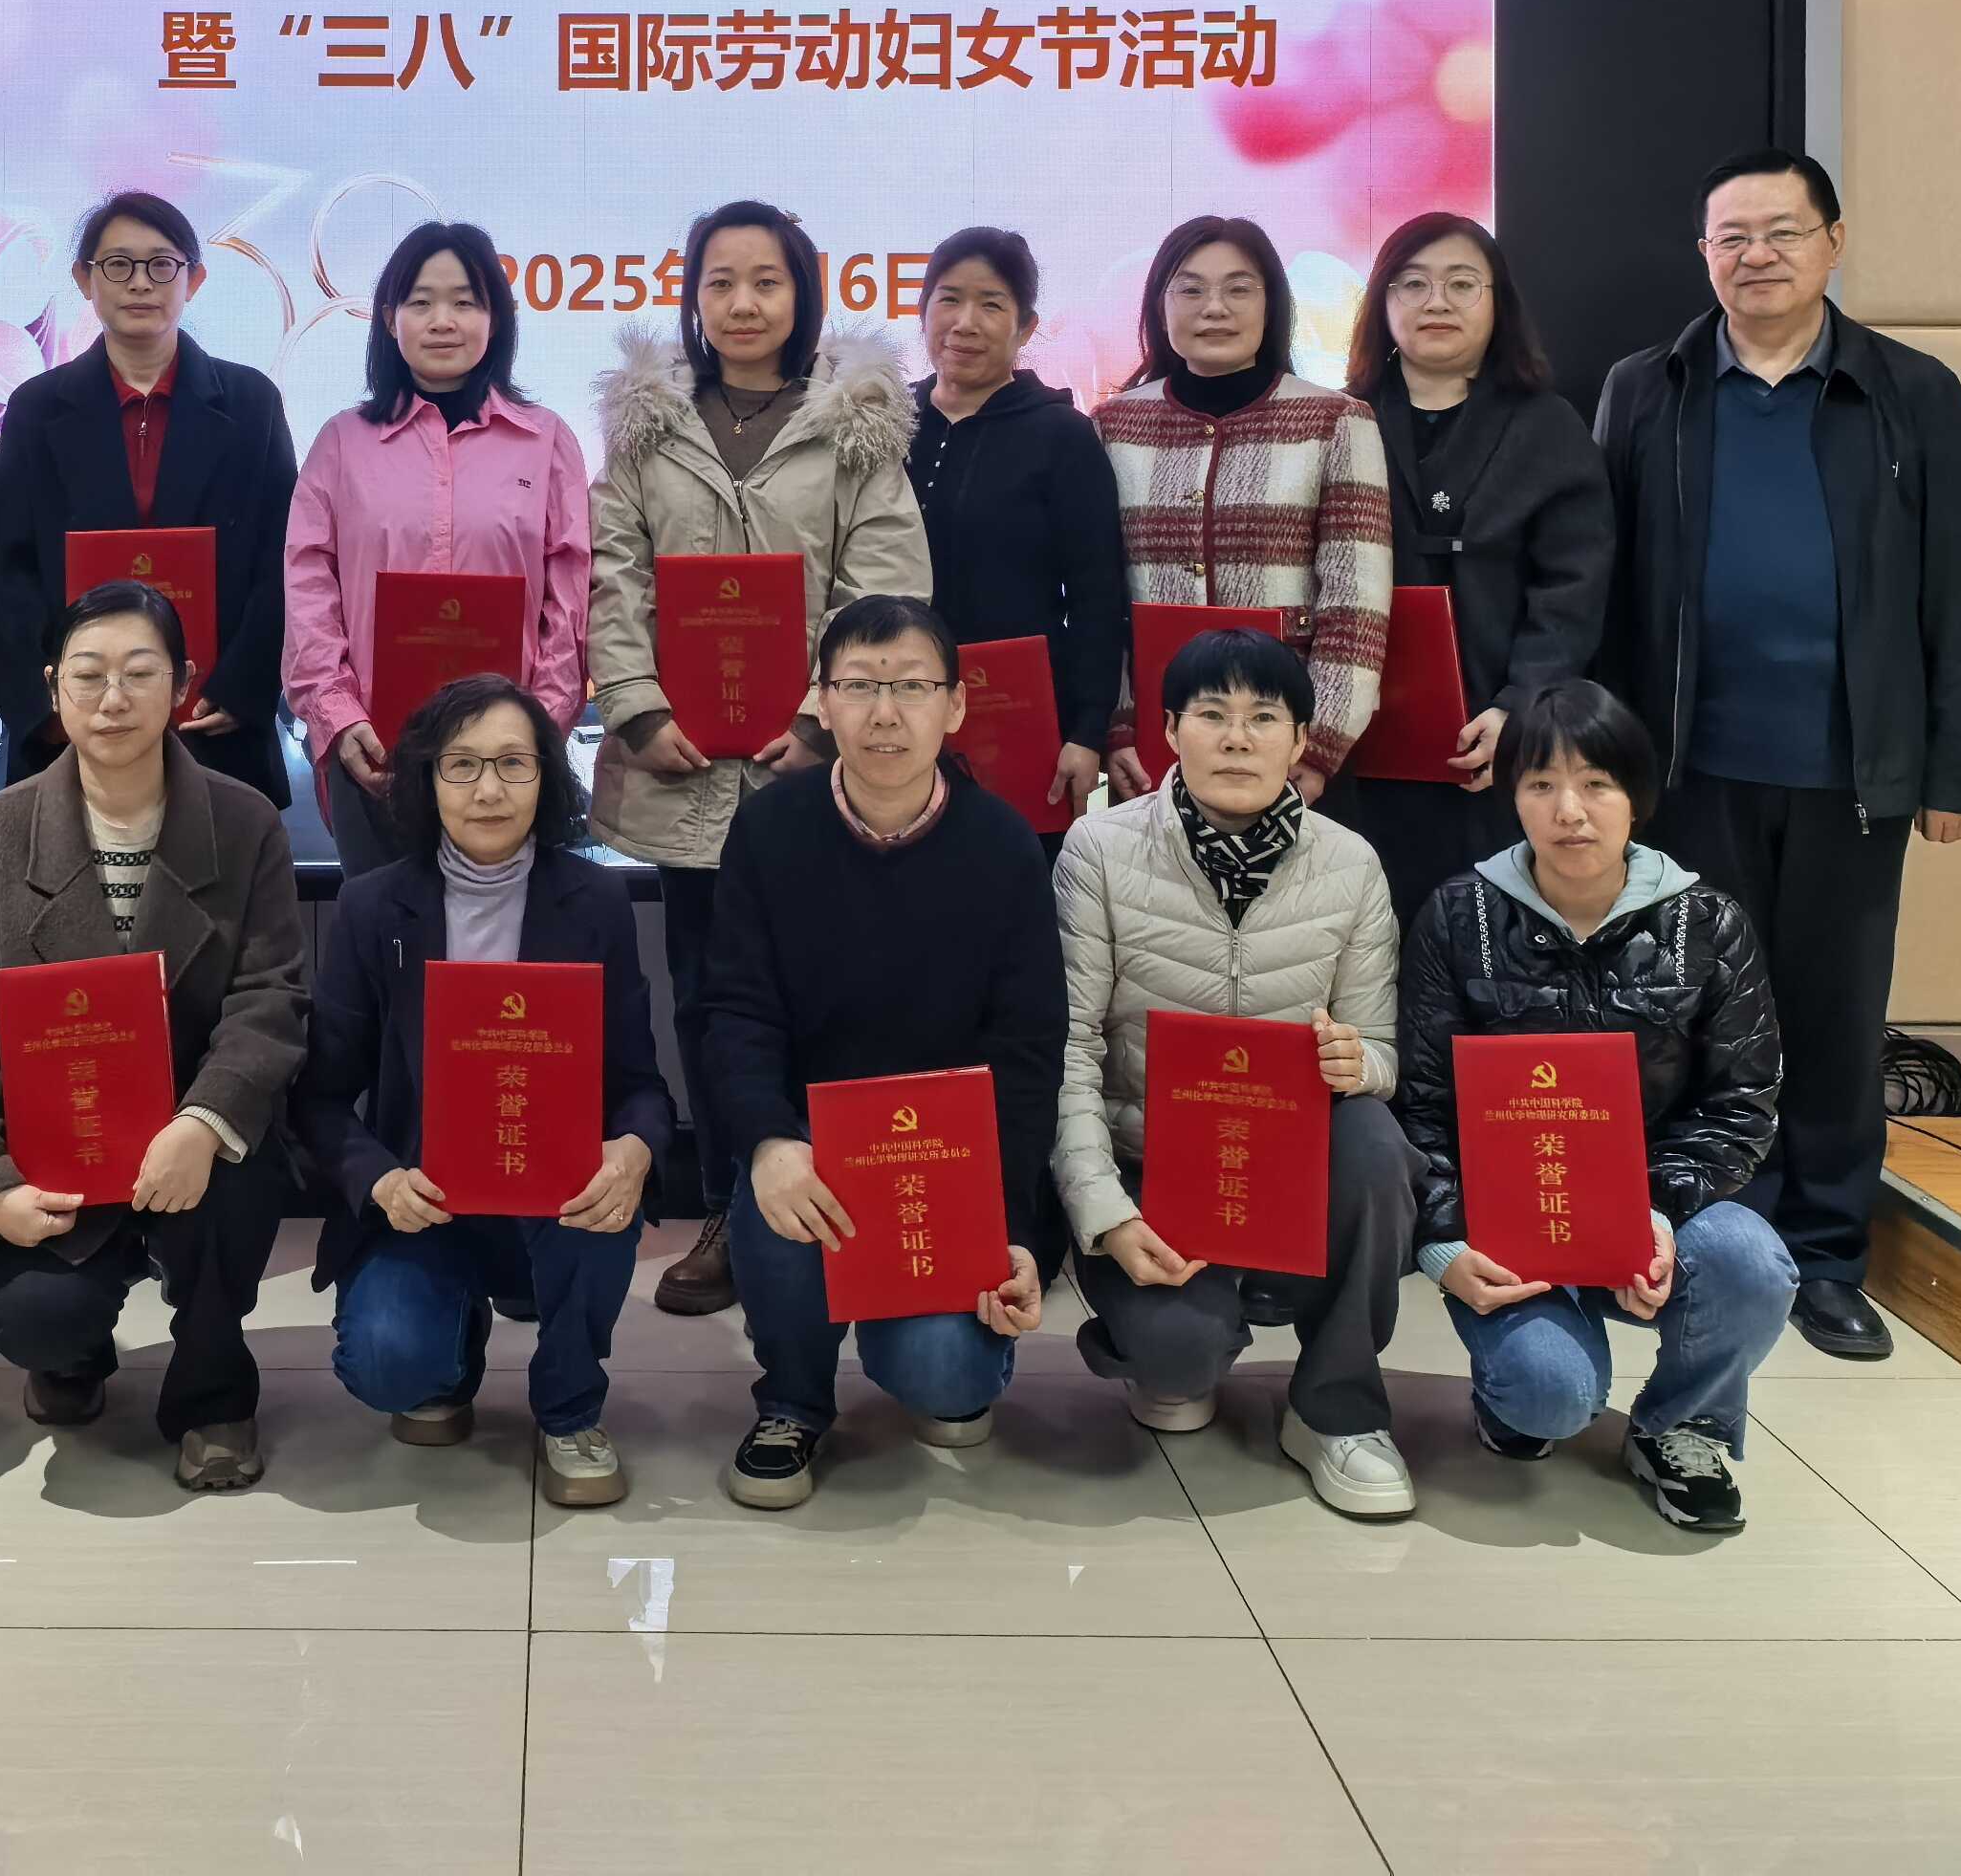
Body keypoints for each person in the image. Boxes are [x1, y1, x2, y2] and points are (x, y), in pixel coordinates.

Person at [1593, 149, 1961, 1363]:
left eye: (1781, 230)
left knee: (1831, 1018)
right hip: (1688, 773)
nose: (1755, 255)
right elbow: (1606, 586)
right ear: (1702, 256)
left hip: (1850, 774)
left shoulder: (1909, 392)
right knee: (1695, 1015)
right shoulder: (1647, 388)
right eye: (1730, 237)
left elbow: (1958, 588)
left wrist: (1955, 768)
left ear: (1833, 241)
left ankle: (1824, 1258)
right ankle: (1709, 1244)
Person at [587, 197, 932, 1319]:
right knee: (704, 996)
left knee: (826, 991)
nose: (742, 303)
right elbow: (612, 574)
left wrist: (823, 718)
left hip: (814, 770)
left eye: (766, 281)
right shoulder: (646, 424)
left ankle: (829, 1196)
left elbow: (885, 584)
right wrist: (635, 708)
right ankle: (732, 1210)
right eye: (720, 281)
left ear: (802, 293)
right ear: (692, 296)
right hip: (680, 767)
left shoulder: (855, 422)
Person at [0, 582, 309, 1493]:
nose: (113, 699)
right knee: (37, 1317)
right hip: (56, 1143)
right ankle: (72, 1354)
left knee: (233, 1195)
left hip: (196, 1130)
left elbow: (271, 996)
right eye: (87, 675)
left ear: (183, 684)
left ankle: (214, 1391)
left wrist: (203, 1122)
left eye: (140, 673)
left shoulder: (245, 821)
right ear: (53, 687)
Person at [1396, 679, 1795, 1533]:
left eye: (1596, 784)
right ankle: (1517, 1390)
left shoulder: (1708, 923)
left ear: (1636, 797)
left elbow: (1742, 1103)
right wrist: (1445, 1244)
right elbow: (1421, 1104)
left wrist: (1652, 1211)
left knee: (1751, 1262)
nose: (1569, 810)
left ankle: (1681, 1427)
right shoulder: (1458, 916)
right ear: (1512, 797)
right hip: (1509, 1226)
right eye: (1541, 784)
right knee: (1548, 1398)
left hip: (1657, 1213)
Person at [701, 595, 1062, 1509]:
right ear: (822, 702)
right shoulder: (770, 830)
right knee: (777, 1201)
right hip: (810, 1147)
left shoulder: (1005, 847)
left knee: (948, 1376)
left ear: (956, 704)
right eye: (859, 686)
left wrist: (1013, 1228)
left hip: (948, 1166)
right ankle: (792, 1401)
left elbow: (1027, 1053)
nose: (885, 713)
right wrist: (767, 1140)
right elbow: (735, 1012)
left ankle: (928, 1342)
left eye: (911, 687)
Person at [1051, 624, 1417, 1518]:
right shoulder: (1097, 851)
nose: (1238, 739)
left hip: (1290, 1169)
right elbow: (1070, 1047)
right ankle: (1175, 1342)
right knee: (1178, 1366)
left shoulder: (1351, 863)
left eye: (1264, 718)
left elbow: (1381, 1052)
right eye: (1212, 715)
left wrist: (1356, 1061)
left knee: (1372, 1139)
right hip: (1151, 1167)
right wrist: (1105, 1215)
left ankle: (1337, 1412)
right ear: (1169, 730)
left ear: (1301, 740)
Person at [293, 675, 676, 1506]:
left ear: (547, 775)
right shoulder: (371, 907)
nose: (489, 790)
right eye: (461, 765)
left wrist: (635, 1149)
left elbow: (641, 1085)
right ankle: (450, 1345)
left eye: (513, 763)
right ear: (426, 779)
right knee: (391, 1367)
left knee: (602, 1205)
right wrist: (379, 1180)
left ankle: (570, 1409)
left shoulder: (596, 902)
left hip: (558, 1196)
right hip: (424, 1197)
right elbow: (318, 1098)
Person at [283, 220, 592, 882]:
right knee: (385, 935)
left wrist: (538, 728)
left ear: (496, 318)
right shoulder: (341, 444)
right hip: (374, 755)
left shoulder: (546, 442)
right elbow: (308, 591)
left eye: (466, 302)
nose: (443, 321)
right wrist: (337, 717)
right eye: (421, 302)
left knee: (502, 940)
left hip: (508, 765)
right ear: (388, 318)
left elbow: (570, 602)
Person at [0, 190, 297, 807]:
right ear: (85, 280)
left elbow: (282, 558)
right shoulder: (36, 408)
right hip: (74, 728)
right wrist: (46, 702)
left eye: (162, 264)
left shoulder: (252, 403)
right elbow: (2, 571)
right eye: (118, 264)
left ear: (194, 280)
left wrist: (243, 686)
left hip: (212, 721)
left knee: (219, 865)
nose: (140, 283)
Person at [1344, 212, 1614, 911]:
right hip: (1356, 743)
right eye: (1412, 284)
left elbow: (1573, 587)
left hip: (1499, 742)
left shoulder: (1548, 426)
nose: (1436, 301)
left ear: (1499, 301)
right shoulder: (1340, 420)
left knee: (1485, 936)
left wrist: (1518, 707)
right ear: (1381, 302)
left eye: (1462, 284)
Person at [1095, 214, 1390, 804]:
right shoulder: (1113, 426)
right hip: (1156, 736)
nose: (1215, 308)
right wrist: (1117, 724)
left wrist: (1317, 745)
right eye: (1191, 289)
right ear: (1159, 306)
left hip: (1288, 740)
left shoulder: (1336, 421)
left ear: (1271, 304)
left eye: (1239, 288)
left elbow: (1356, 605)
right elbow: (1100, 597)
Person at [905, 226, 1128, 842]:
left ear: (1026, 328)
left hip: (1018, 715)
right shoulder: (886, 422)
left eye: (991, 304)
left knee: (1009, 873)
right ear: (923, 312)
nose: (965, 323)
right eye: (949, 299)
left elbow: (1097, 596)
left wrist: (1086, 731)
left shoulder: (1062, 436)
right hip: (894, 703)